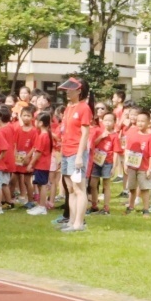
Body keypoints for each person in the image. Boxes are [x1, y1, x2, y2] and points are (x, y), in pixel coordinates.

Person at [58, 77, 93, 233]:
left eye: (70, 89)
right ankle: (71, 221)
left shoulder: (84, 108)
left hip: (75, 152)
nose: (67, 92)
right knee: (70, 189)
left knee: (79, 189)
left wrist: (79, 156)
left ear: (79, 91)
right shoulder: (68, 108)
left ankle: (79, 223)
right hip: (66, 152)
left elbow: (85, 134)